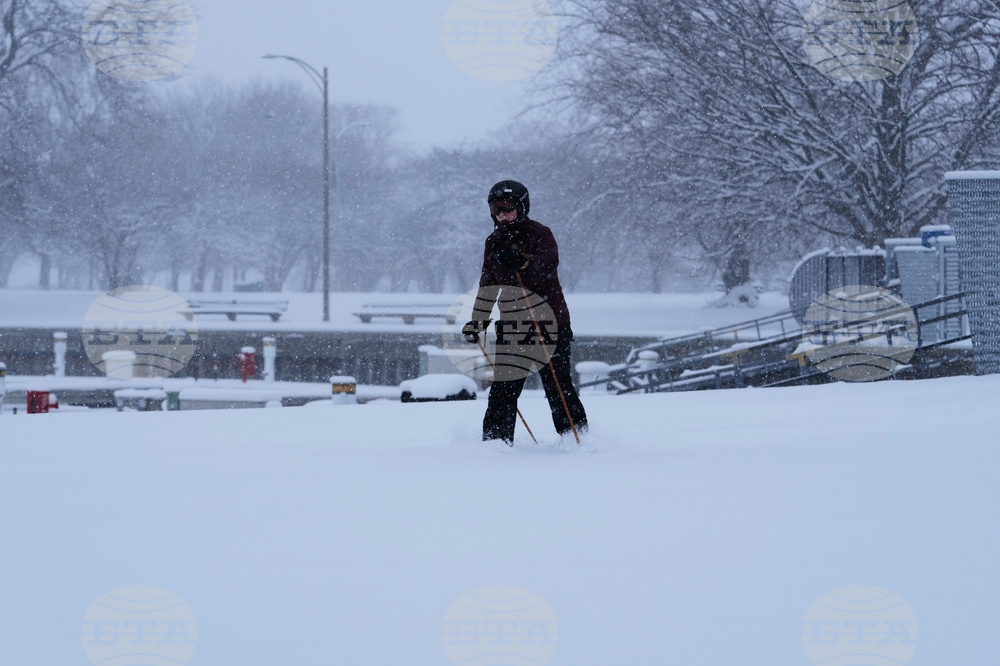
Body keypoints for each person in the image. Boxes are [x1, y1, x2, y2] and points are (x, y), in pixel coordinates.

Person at [465, 180, 588, 444]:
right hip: (513, 326)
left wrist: (524, 260)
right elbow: (488, 284)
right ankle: (495, 446)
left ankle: (578, 440)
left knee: (557, 386)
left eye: (507, 208)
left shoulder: (540, 233)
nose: (501, 215)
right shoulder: (493, 242)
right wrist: (478, 320)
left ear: (521, 207)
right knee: (503, 391)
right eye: (496, 209)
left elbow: (548, 265)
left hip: (549, 323)